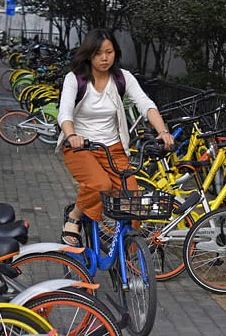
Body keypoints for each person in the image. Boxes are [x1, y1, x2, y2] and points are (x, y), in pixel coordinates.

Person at [57, 29, 173, 246]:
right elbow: (65, 113)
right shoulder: (75, 79)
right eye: (98, 53)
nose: (104, 58)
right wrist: (71, 135)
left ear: (115, 53)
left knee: (133, 201)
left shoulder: (122, 78)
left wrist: (163, 131)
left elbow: (145, 104)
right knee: (100, 184)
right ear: (89, 54)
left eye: (109, 52)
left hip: (114, 149)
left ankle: (130, 255)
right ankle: (74, 216)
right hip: (80, 147)